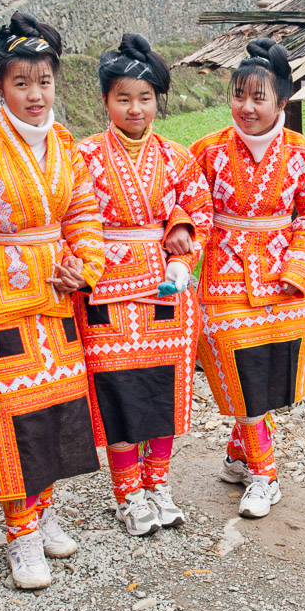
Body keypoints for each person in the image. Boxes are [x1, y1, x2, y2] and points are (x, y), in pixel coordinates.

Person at [0, 11, 105, 590]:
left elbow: (84, 213)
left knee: (57, 411)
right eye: (21, 83)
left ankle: (44, 508)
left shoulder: (65, 143)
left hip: (54, 299)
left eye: (44, 82)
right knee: (14, 418)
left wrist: (82, 266)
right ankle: (20, 534)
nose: (36, 95)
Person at [74, 33, 212, 536]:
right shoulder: (83, 156)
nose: (135, 108)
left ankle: (159, 484)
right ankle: (127, 493)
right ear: (105, 100)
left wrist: (182, 228)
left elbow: (202, 212)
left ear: (159, 100)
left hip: (165, 291)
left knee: (160, 390)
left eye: (145, 97)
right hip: (106, 292)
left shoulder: (177, 157)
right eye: (124, 98)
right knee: (118, 392)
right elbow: (74, 219)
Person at [189, 38, 305, 519]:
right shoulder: (206, 151)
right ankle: (264, 473)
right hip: (225, 279)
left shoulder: (300, 152)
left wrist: (296, 269)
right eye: (238, 95)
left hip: (283, 280)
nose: (245, 107)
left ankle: (236, 454)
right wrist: (189, 248)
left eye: (258, 98)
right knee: (239, 369)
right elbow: (191, 210)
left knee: (269, 369)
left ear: (281, 103)